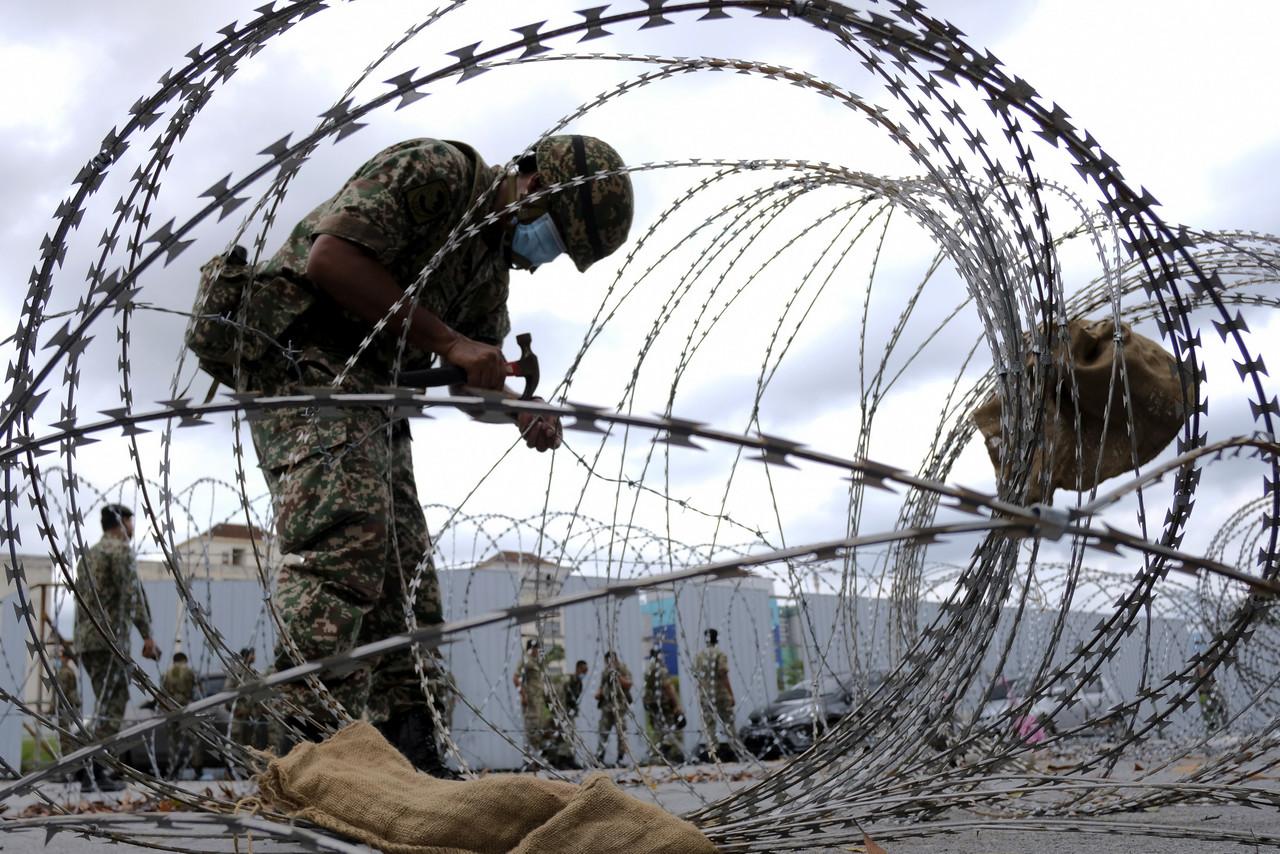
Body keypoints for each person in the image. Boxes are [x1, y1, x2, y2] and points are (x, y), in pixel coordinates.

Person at [229, 134, 633, 775]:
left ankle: (407, 750)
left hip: (373, 396)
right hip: (300, 361)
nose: (547, 255)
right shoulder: (439, 175)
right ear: (533, 186)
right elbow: (330, 260)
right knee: (350, 539)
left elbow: (479, 371)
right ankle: (303, 752)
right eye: (557, 235)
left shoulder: (488, 272)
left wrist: (520, 410)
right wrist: (447, 341)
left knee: (407, 575)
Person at [73, 503, 161, 790]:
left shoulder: (89, 554)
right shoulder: (120, 551)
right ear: (121, 523)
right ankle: (93, 771)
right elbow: (131, 595)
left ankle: (82, 764)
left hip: (86, 640)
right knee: (113, 705)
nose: (133, 528)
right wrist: (147, 635)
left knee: (102, 705)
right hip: (109, 641)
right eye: (130, 521)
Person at [693, 628, 735, 759]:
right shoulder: (720, 654)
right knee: (728, 722)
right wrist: (731, 694)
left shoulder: (699, 657)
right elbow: (723, 675)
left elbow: (698, 677)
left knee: (709, 725)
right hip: (720, 694)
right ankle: (735, 750)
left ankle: (712, 753)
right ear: (717, 638)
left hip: (706, 695)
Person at [642, 645, 685, 763]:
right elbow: (668, 687)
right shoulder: (660, 669)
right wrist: (677, 705)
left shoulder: (648, 669)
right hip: (663, 703)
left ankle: (657, 754)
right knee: (670, 727)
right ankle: (665, 751)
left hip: (652, 703)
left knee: (658, 728)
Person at [546, 658, 588, 769]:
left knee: (571, 736)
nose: (585, 674)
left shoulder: (578, 683)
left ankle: (569, 759)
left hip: (569, 713)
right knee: (564, 735)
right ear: (578, 669)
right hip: (561, 711)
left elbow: (574, 700)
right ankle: (560, 761)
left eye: (586, 671)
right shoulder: (567, 680)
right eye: (583, 671)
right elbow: (559, 697)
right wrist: (561, 715)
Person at [161, 651, 196, 777]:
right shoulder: (188, 671)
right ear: (184, 659)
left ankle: (173, 769)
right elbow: (192, 688)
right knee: (193, 737)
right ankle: (197, 768)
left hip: (170, 707)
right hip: (184, 705)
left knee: (173, 741)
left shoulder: (167, 673)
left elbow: (162, 692)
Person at [595, 650, 633, 766]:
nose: (609, 663)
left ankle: (620, 758)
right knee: (603, 731)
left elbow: (628, 684)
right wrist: (599, 694)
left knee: (621, 733)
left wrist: (617, 675)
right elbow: (601, 687)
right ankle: (600, 758)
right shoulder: (605, 672)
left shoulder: (622, 669)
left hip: (619, 707)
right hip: (607, 707)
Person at [514, 639, 549, 761]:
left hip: (538, 702)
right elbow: (516, 678)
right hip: (530, 702)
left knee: (538, 729)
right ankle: (528, 759)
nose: (536, 651)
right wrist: (523, 695)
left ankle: (536, 759)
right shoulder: (526, 661)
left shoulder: (537, 662)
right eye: (535, 648)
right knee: (530, 729)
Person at [54, 645, 81, 761]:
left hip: (64, 709)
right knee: (68, 737)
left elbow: (61, 693)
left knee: (65, 739)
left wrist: (52, 708)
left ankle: (70, 766)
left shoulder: (64, 672)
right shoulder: (69, 671)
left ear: (65, 658)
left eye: (61, 657)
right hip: (69, 708)